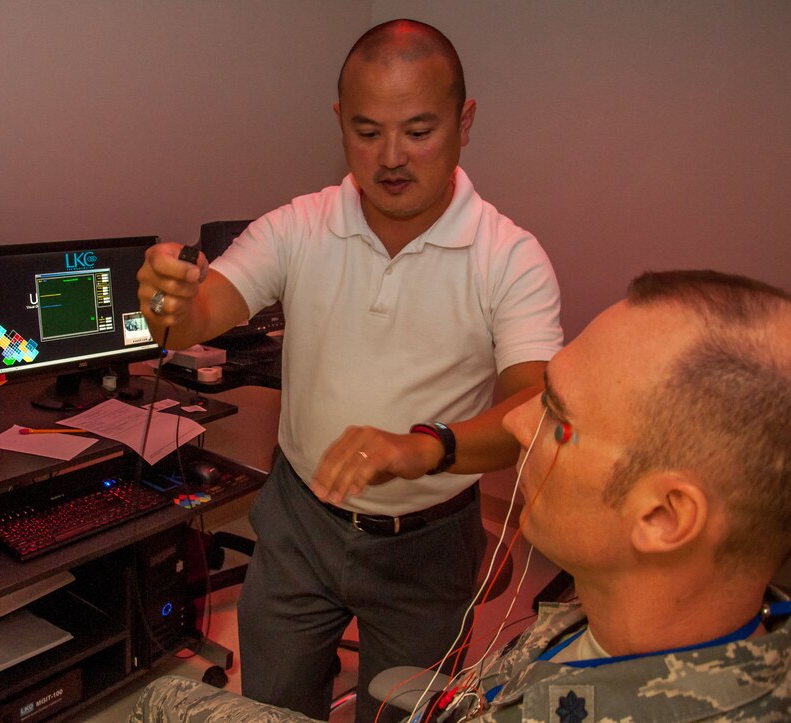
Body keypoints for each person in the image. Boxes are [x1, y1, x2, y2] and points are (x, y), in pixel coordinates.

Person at [137, 19, 562, 722]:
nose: (391, 157)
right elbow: (195, 318)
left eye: (419, 131)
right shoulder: (301, 225)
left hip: (428, 543)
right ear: (340, 123)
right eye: (367, 132)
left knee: (404, 713)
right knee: (271, 701)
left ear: (466, 121)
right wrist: (163, 300)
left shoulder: (508, 257)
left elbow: (532, 407)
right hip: (299, 521)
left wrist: (426, 445)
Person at [130, 269, 791, 722]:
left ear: (664, 514)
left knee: (163, 700)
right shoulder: (616, 616)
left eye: (557, 420)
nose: (511, 422)